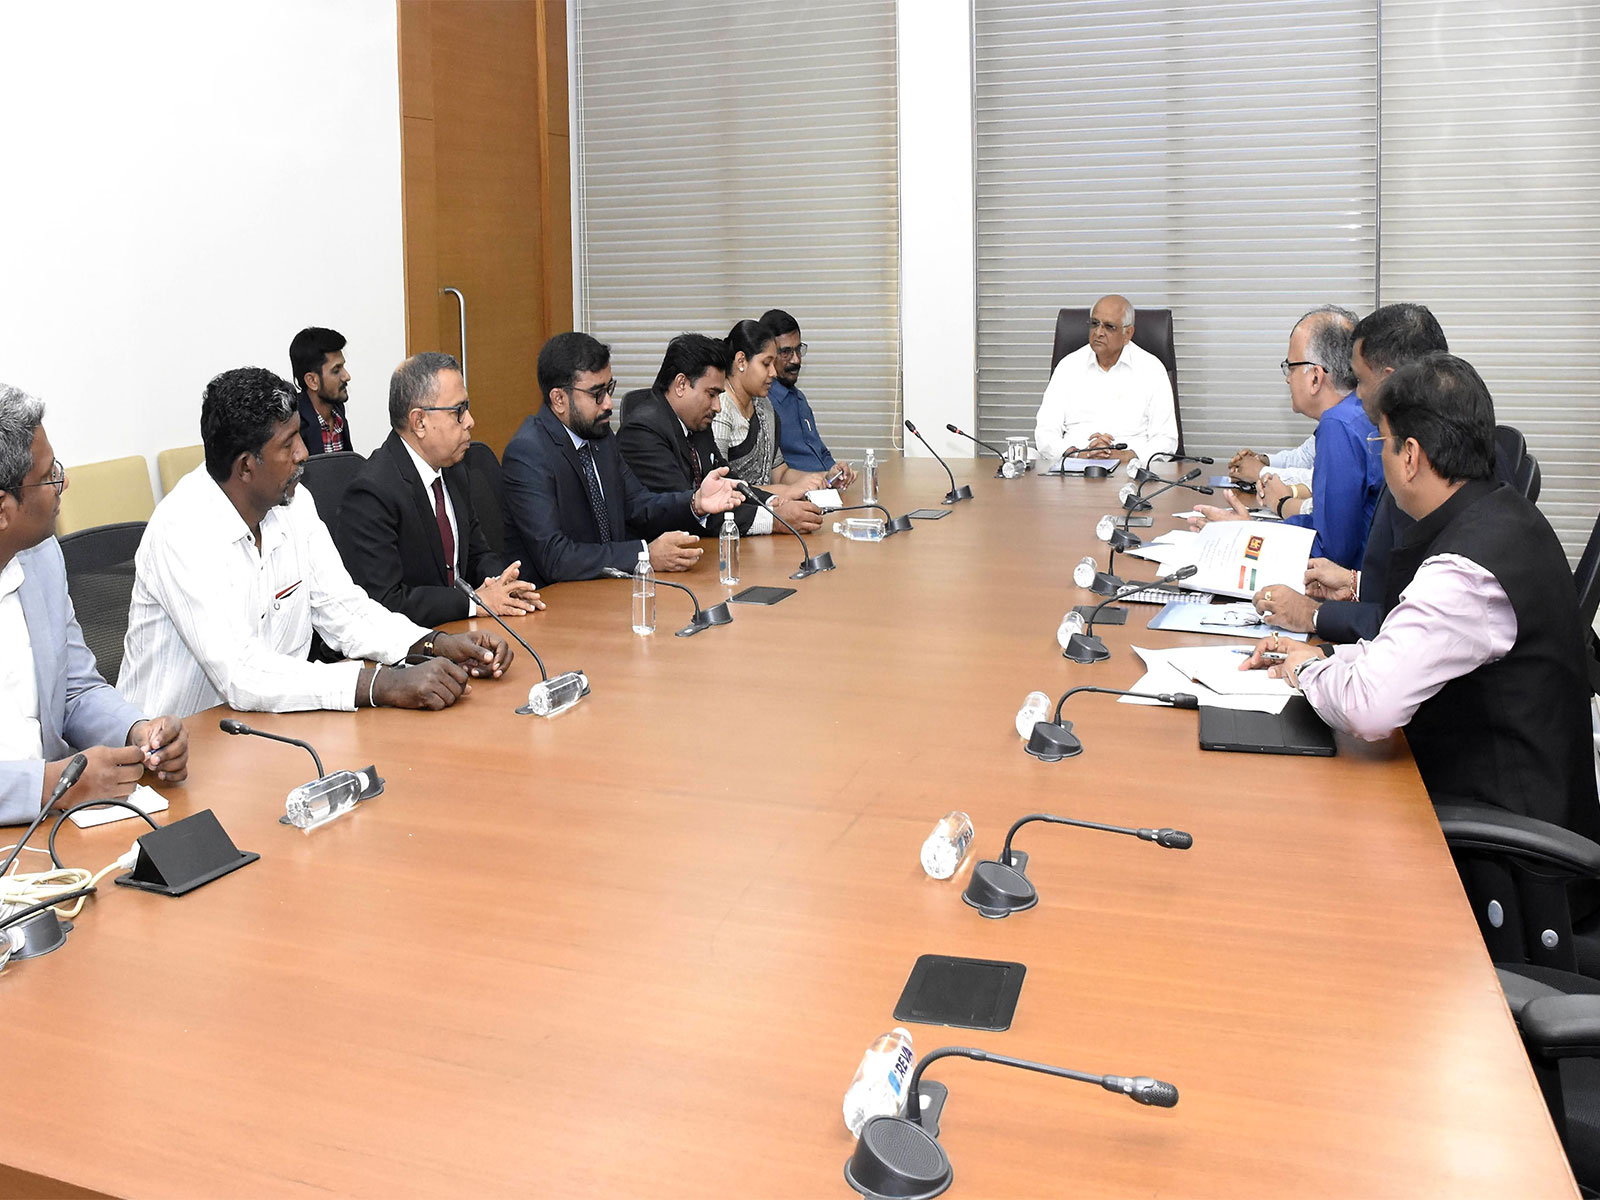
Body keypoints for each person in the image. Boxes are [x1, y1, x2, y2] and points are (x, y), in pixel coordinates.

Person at [1240, 354, 1599, 839]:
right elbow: (1415, 641)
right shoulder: (1498, 511)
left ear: (1409, 456)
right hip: (1500, 789)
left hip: (1507, 856)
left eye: (1380, 444)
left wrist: (1305, 670)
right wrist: (1323, 654)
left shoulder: (1465, 572)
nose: (1380, 457)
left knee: (1285, 822)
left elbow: (1369, 706)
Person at [119, 367, 511, 719]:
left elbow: (343, 609)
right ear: (245, 466)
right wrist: (379, 685)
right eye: (289, 444)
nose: (304, 454)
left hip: (273, 727)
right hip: (176, 754)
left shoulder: (293, 503)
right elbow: (242, 674)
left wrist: (432, 644)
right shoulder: (182, 530)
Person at [0, 385, 188, 825]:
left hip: (51, 828)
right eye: (49, 476)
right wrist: (49, 786)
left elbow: (74, 689)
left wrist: (139, 731)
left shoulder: (41, 558)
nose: (64, 482)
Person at [1252, 303, 1450, 638]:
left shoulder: (1349, 424)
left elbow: (1339, 551)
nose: (1356, 395)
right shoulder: (1436, 440)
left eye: (1359, 380)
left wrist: (1313, 615)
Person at [501, 332, 744, 583]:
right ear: (559, 399)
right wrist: (644, 554)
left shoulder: (600, 435)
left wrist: (695, 503)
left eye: (609, 389)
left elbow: (638, 504)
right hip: (554, 603)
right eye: (597, 393)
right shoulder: (528, 454)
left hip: (608, 590)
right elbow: (555, 557)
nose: (608, 403)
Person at [336, 352, 544, 627]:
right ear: (419, 422)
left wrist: (501, 585)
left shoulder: (454, 470)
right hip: (408, 649)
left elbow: (478, 555)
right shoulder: (372, 492)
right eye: (459, 411)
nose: (470, 421)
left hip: (460, 630)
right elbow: (385, 601)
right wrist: (474, 603)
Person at [1189, 306, 1382, 568]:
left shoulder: (1339, 425)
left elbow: (1333, 553)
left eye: (1291, 367)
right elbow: (1329, 525)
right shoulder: (1359, 412)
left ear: (1315, 377)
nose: (1288, 379)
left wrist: (1245, 534)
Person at [616, 333, 822, 535]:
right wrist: (774, 519)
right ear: (681, 384)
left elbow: (726, 479)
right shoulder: (643, 431)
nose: (717, 406)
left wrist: (770, 501)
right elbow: (689, 508)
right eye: (711, 394)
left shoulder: (695, 422)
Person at [1032, 294, 1177, 466]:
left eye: (1109, 327)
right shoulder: (1068, 366)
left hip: (1131, 470)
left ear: (1127, 334)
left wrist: (1126, 456)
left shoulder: (1151, 369)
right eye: (1094, 324)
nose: (1099, 332)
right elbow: (1045, 431)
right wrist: (1077, 454)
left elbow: (1166, 439)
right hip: (1074, 468)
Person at [711, 320, 828, 499]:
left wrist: (823, 478)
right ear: (741, 361)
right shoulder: (719, 407)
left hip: (769, 511)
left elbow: (779, 473)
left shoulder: (763, 405)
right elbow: (720, 489)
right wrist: (787, 492)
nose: (773, 372)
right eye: (766, 364)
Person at [759, 308, 855, 487]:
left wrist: (837, 471)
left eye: (798, 349)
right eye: (786, 352)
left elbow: (821, 451)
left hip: (827, 492)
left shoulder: (799, 398)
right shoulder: (763, 404)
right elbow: (776, 474)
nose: (796, 360)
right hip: (798, 497)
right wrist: (825, 478)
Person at [290, 326, 354, 456]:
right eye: (336, 370)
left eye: (343, 367)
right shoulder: (292, 426)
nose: (347, 376)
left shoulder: (339, 414)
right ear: (312, 381)